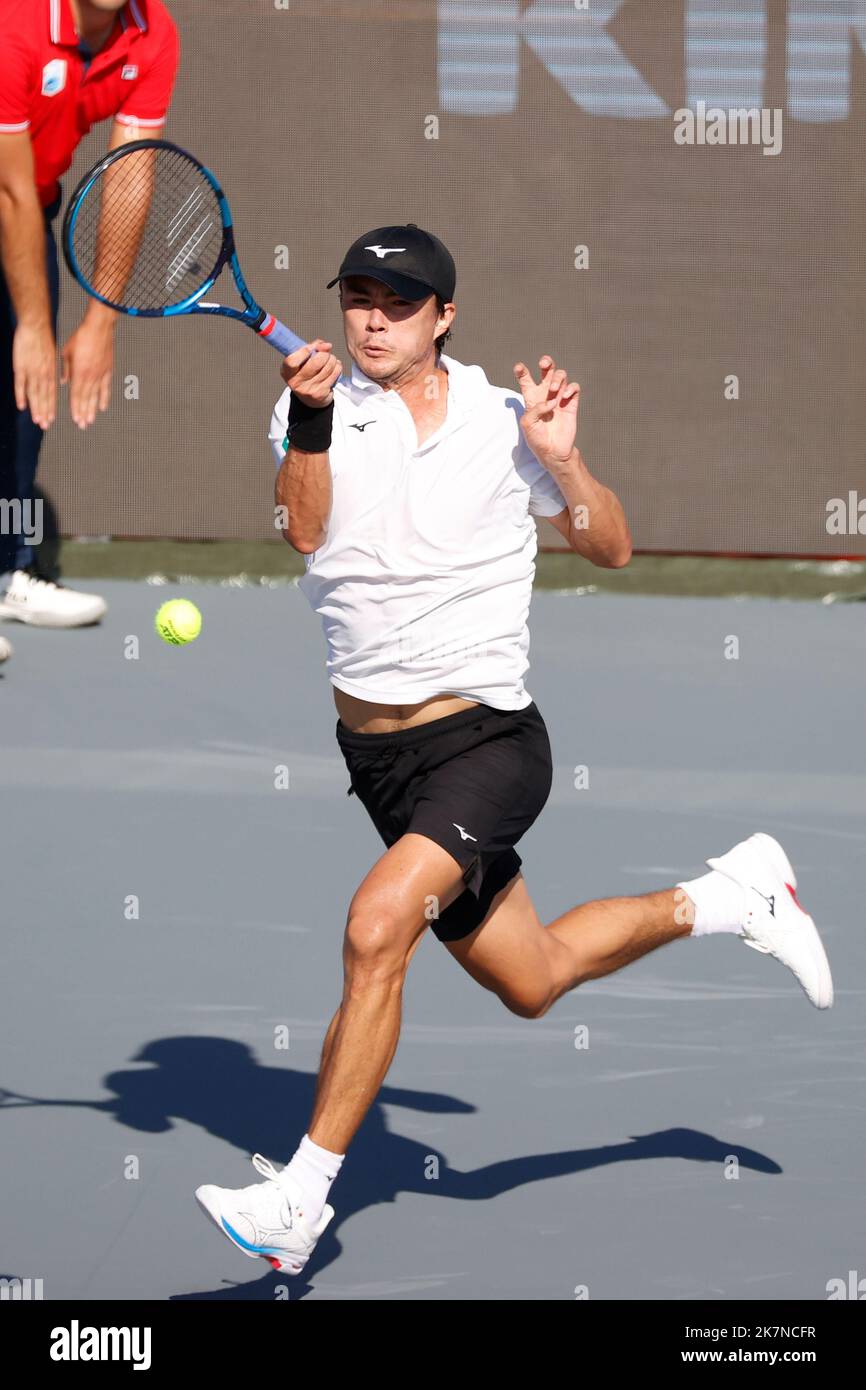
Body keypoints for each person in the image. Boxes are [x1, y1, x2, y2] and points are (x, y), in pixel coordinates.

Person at [194, 224, 834, 1277]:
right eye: (356, 295)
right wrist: (309, 420)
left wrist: (562, 460)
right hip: (379, 760)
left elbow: (611, 544)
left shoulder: (504, 421)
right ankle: (731, 897)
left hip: (487, 739)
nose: (369, 317)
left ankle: (300, 1198)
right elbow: (302, 531)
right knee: (530, 980)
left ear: (442, 317)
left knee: (376, 923)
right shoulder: (309, 403)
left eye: (396, 302)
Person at [0, 0, 180, 638]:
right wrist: (32, 323)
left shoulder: (152, 35)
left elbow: (129, 175)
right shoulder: (15, 23)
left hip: (30, 209)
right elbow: (10, 189)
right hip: (10, 193)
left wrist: (100, 320)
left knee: (25, 412)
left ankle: (11, 570)